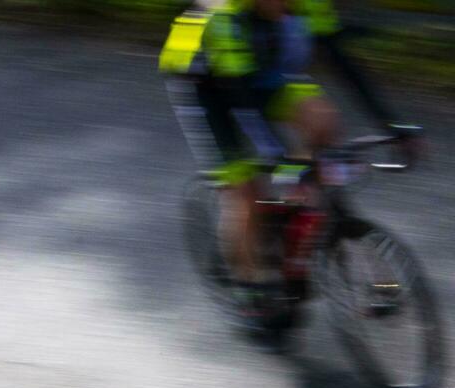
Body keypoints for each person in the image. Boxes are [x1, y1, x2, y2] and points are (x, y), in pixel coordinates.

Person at [159, 0, 420, 307]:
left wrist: (393, 124)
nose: (285, 8)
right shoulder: (225, 15)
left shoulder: (309, 4)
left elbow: (343, 64)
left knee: (324, 122)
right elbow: (241, 100)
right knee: (246, 194)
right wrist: (280, 159)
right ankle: (248, 284)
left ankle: (291, 216)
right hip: (205, 88)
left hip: (261, 75)